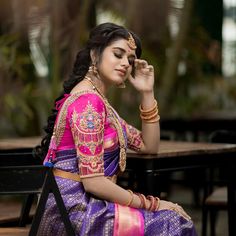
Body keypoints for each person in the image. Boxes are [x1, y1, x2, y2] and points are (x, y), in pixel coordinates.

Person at [37, 22, 197, 235]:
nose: (125, 64)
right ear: (95, 55)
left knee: (172, 219)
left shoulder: (99, 102)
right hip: (75, 211)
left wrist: (147, 93)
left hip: (86, 204)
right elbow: (93, 182)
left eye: (130, 60)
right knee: (173, 223)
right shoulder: (88, 104)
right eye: (118, 54)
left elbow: (149, 145)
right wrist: (151, 204)